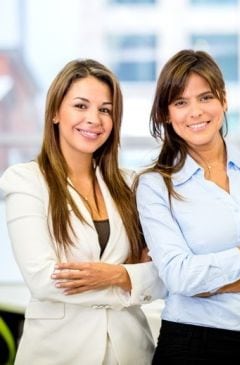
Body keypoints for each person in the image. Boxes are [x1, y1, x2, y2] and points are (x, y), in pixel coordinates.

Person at [135, 49, 240, 364]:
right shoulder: (155, 185)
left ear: (223, 101)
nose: (195, 112)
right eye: (180, 102)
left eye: (205, 98)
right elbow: (180, 277)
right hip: (193, 345)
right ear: (165, 113)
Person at [0, 59, 165, 364]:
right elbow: (44, 279)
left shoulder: (131, 185)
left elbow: (164, 274)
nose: (94, 119)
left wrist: (116, 275)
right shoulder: (26, 181)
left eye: (105, 109)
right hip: (58, 353)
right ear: (54, 113)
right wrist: (129, 280)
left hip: (130, 353)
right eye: (80, 106)